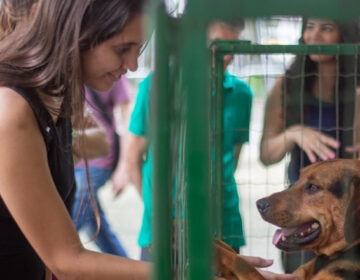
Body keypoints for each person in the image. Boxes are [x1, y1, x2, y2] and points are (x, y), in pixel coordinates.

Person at [0, 0, 297, 279]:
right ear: (78, 35)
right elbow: (66, 260)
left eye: (138, 51)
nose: (131, 65)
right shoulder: (12, 108)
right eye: (122, 49)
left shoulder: (55, 98)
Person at [120, 20, 252, 261]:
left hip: (223, 223)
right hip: (164, 228)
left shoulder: (242, 94)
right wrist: (159, 211)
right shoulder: (156, 86)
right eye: (217, 48)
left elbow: (232, 159)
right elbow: (132, 161)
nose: (226, 57)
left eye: (233, 48)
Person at [260, 17, 360, 273]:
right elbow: (266, 154)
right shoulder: (285, 86)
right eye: (310, 27)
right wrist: (293, 134)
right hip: (303, 206)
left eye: (326, 28)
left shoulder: (357, 91)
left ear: (345, 37)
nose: (314, 36)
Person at [72, 78, 132, 257]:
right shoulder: (66, 70)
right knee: (97, 228)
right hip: (74, 159)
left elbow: (127, 119)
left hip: (100, 158)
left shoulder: (115, 72)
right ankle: (126, 267)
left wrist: (123, 168)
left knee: (70, 224)